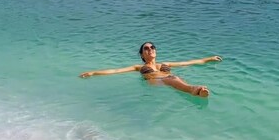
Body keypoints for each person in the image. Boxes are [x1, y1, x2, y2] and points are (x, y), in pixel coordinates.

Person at [79, 41, 222, 97]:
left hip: (169, 80)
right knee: (172, 78)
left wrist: (209, 59)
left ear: (156, 51)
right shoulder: (140, 67)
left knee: (174, 79)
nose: (150, 50)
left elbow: (189, 62)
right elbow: (116, 71)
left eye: (152, 47)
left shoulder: (165, 64)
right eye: (146, 49)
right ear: (142, 54)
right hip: (155, 82)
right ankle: (193, 90)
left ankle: (195, 91)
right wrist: (93, 73)